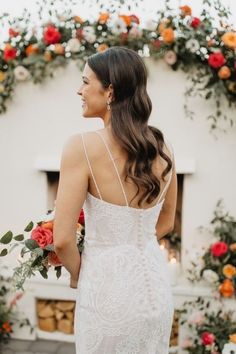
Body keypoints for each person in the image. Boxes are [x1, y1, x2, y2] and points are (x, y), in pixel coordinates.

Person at [54, 46, 177, 354]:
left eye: (85, 81)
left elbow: (62, 240)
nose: (78, 90)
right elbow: (165, 223)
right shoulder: (163, 147)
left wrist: (78, 275)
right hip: (155, 288)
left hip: (106, 292)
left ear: (109, 91)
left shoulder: (80, 147)